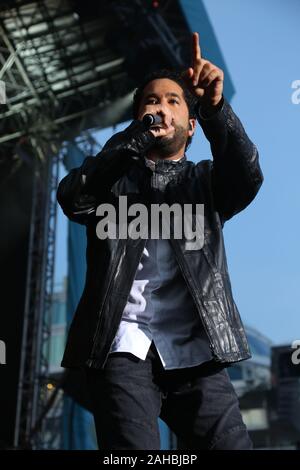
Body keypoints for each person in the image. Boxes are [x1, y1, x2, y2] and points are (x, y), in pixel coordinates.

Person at [57, 32, 264, 450]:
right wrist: (133, 140)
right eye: (151, 101)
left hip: (197, 348)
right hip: (122, 345)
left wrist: (216, 109)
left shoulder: (205, 181)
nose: (161, 107)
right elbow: (73, 197)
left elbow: (246, 175)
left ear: (191, 125)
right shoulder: (109, 182)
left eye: (174, 101)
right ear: (137, 118)